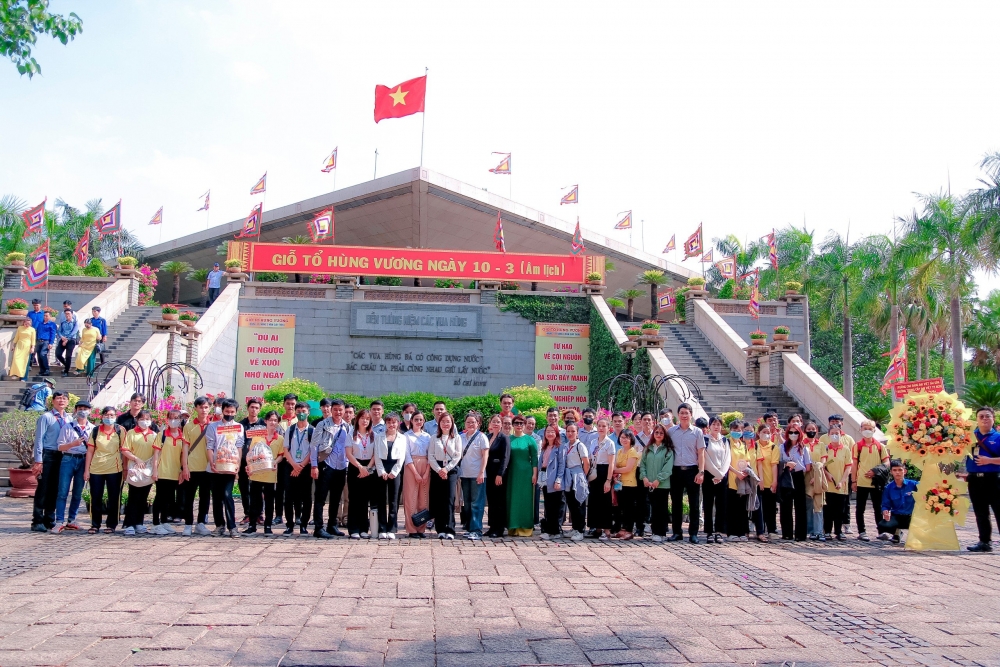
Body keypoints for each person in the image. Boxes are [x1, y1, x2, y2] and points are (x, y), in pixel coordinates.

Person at [30, 390, 70, 531]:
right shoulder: (46, 417)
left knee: (55, 489)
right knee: (43, 488)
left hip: (63, 456)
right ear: (52, 401)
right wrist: (38, 460)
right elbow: (39, 439)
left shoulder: (69, 418)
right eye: (58, 398)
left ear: (68, 402)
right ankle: (37, 521)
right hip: (48, 455)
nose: (61, 401)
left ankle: (49, 518)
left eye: (64, 398)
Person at [310, 398, 350, 538]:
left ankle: (332, 525)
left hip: (341, 466)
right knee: (320, 498)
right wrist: (314, 465)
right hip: (325, 465)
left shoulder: (347, 426)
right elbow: (314, 445)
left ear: (344, 411)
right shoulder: (322, 424)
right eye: (335, 409)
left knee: (336, 498)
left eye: (340, 410)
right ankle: (318, 528)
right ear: (331, 410)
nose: (338, 412)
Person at [667, 403, 706, 543]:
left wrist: (701, 472)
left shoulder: (697, 432)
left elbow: (701, 453)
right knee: (676, 503)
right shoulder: (671, 431)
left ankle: (693, 533)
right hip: (676, 471)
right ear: (678, 415)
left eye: (686, 413)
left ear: (691, 415)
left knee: (694, 504)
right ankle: (677, 532)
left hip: (692, 470)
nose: (684, 415)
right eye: (681, 413)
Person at [206, 398, 244, 538]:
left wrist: (237, 465)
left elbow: (239, 447)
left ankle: (232, 527)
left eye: (232, 412)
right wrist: (212, 462)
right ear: (222, 411)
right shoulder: (213, 427)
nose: (229, 414)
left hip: (230, 466)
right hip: (216, 467)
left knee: (228, 495)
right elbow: (210, 446)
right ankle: (219, 525)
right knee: (216, 497)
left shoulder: (239, 427)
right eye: (227, 411)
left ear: (236, 412)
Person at [53, 401, 93, 532]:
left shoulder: (93, 429)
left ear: (90, 411)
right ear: (75, 410)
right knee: (63, 491)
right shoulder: (68, 427)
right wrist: (72, 444)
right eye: (80, 408)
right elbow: (60, 447)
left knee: (77, 492)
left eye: (85, 409)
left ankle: (72, 520)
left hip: (84, 460)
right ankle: (59, 521)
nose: (82, 411)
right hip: (68, 459)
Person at [85, 406, 125, 534]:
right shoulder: (96, 430)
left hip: (115, 469)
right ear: (102, 416)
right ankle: (95, 524)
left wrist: (125, 468)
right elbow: (90, 451)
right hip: (96, 468)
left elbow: (124, 450)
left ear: (116, 416)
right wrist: (86, 470)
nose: (109, 417)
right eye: (106, 415)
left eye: (112, 415)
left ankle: (111, 524)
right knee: (95, 497)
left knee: (114, 497)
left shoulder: (120, 430)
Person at [965, 406, 1000, 552]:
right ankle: (984, 542)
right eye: (981, 416)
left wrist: (989, 461)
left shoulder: (998, 437)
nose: (984, 419)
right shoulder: (968, 437)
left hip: (994, 479)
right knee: (980, 512)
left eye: (987, 416)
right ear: (977, 420)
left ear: (993, 419)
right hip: (974, 480)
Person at [245, 410, 284, 535]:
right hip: (256, 473)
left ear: (278, 423)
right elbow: (251, 453)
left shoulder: (280, 439)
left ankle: (268, 526)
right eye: (270, 420)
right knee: (254, 501)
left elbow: (281, 454)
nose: (273, 422)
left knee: (269, 501)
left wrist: (275, 462)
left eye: (275, 420)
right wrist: (249, 466)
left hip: (270, 474)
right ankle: (252, 525)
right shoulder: (257, 436)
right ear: (266, 421)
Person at [121, 409, 159, 535]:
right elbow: (125, 450)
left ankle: (139, 523)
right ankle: (129, 524)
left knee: (144, 497)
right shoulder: (131, 433)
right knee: (133, 497)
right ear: (137, 420)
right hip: (135, 469)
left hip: (148, 470)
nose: (144, 421)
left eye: (147, 419)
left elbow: (157, 453)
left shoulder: (154, 435)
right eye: (142, 419)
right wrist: (135, 459)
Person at [852, 420, 890, 542]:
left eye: (870, 428)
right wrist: (853, 481)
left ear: (874, 430)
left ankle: (881, 531)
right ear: (861, 429)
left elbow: (887, 462)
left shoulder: (880, 446)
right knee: (860, 508)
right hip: (862, 481)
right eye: (865, 428)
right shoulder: (857, 446)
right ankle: (862, 531)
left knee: (878, 507)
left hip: (876, 481)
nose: (867, 430)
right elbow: (854, 464)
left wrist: (875, 471)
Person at [181, 396, 213, 536]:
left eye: (206, 407)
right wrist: (185, 467)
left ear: (210, 408)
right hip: (192, 466)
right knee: (189, 497)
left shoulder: (213, 425)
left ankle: (201, 523)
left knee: (205, 497)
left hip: (208, 467)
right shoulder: (188, 426)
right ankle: (188, 524)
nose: (203, 410)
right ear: (195, 408)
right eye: (201, 407)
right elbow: (185, 448)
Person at [152, 408, 187, 535]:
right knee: (160, 497)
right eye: (171, 418)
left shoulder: (183, 436)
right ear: (167, 419)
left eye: (176, 418)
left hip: (174, 472)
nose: (173, 420)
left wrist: (182, 470)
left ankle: (164, 521)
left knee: (169, 499)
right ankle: (155, 524)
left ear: (181, 420)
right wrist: (155, 470)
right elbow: (156, 454)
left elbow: (183, 456)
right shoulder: (161, 435)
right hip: (162, 471)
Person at [819, 414, 856, 534]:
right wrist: (826, 473)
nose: (835, 435)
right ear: (829, 435)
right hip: (828, 483)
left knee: (841, 508)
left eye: (837, 433)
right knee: (828, 507)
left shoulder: (846, 448)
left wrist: (843, 481)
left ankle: (839, 531)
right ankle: (827, 531)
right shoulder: (825, 448)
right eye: (832, 433)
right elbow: (823, 464)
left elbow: (848, 465)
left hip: (842, 483)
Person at [428, 412, 461, 540]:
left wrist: (446, 469)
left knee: (449, 499)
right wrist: (439, 470)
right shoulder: (434, 438)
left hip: (451, 470)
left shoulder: (456, 438)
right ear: (439, 423)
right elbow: (430, 456)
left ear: (452, 423)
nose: (445, 424)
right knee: (438, 500)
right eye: (443, 421)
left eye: (448, 421)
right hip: (437, 469)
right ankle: (440, 529)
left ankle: (450, 529)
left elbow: (457, 456)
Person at [373, 413, 407, 539]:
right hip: (382, 468)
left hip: (395, 469)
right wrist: (381, 471)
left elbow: (402, 456)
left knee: (394, 500)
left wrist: (394, 472)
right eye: (389, 422)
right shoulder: (379, 436)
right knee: (381, 500)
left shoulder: (402, 438)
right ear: (385, 423)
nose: (391, 425)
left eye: (394, 422)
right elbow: (376, 455)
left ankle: (392, 528)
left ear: (398, 423)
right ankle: (382, 528)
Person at [282, 401, 314, 536]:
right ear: (295, 413)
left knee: (306, 497)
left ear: (308, 413)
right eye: (299, 411)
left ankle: (303, 525)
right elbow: (285, 449)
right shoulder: (290, 430)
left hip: (305, 467)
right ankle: (289, 525)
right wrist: (294, 465)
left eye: (304, 411)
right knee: (289, 497)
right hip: (291, 466)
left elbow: (313, 450)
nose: (301, 414)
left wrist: (301, 466)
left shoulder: (312, 430)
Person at [640, 424, 675, 542]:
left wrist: (658, 480)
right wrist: (644, 478)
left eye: (661, 433)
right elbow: (643, 464)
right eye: (656, 432)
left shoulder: (668, 450)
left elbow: (668, 468)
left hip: (662, 484)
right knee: (653, 508)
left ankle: (661, 532)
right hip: (649, 484)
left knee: (661, 509)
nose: (658, 435)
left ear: (665, 435)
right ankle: (655, 531)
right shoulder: (648, 448)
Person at [458, 413, 489, 540]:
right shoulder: (460, 437)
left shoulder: (482, 437)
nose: (470, 424)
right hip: (464, 474)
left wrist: (481, 472)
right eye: (468, 422)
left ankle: (477, 530)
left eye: (473, 422)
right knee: (468, 503)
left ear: (478, 424)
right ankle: (470, 528)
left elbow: (485, 456)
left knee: (477, 503)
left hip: (477, 475)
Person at [778, 423, 811, 541]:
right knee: (785, 505)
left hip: (798, 476)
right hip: (786, 475)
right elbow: (778, 462)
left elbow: (808, 466)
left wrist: (798, 465)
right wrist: (787, 464)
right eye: (791, 432)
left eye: (796, 432)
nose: (793, 434)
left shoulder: (804, 448)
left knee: (800, 506)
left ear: (799, 434)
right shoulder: (782, 447)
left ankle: (800, 534)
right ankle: (787, 533)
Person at [346, 408, 375, 539]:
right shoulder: (351, 434)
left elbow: (375, 454)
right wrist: (359, 467)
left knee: (364, 499)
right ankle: (353, 529)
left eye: (367, 419)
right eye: (362, 418)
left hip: (369, 467)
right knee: (354, 499)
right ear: (357, 419)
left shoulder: (373, 435)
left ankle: (364, 528)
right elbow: (348, 453)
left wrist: (367, 468)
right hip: (355, 467)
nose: (365, 421)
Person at [702, 418, 732, 544]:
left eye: (718, 424)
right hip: (709, 475)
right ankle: (709, 532)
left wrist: (721, 474)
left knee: (721, 504)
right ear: (709, 426)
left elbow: (727, 458)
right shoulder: (705, 439)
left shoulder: (725, 440)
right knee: (708, 504)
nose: (716, 426)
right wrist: (716, 474)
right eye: (714, 424)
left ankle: (719, 531)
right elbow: (705, 458)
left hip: (722, 476)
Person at [403, 412, 432, 538]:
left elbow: (430, 454)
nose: (418, 422)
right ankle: (411, 529)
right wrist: (415, 473)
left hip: (425, 465)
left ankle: (421, 528)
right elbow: (406, 455)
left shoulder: (428, 436)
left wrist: (426, 472)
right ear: (412, 421)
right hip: (411, 466)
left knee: (424, 498)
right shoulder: (406, 436)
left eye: (421, 419)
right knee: (411, 498)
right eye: (416, 419)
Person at [726, 418, 756, 542]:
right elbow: (725, 462)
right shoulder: (727, 443)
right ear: (730, 430)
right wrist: (736, 472)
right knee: (732, 508)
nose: (738, 432)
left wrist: (744, 471)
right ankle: (731, 532)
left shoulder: (743, 445)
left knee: (742, 508)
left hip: (742, 480)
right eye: (735, 429)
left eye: (740, 430)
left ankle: (742, 532)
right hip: (731, 479)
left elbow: (747, 460)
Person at [588, 418, 616, 540]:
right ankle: (597, 528)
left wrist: (608, 480)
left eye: (604, 426)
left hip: (605, 472)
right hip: (594, 472)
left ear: (608, 428)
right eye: (599, 425)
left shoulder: (610, 443)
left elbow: (611, 463)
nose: (601, 428)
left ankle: (607, 530)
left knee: (605, 502)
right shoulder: (593, 442)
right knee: (595, 501)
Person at [561, 423, 591, 541]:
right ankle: (574, 528)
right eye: (568, 431)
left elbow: (586, 463)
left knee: (579, 503)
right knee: (571, 503)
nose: (570, 433)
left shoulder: (580, 446)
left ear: (577, 433)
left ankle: (580, 530)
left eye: (573, 431)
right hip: (568, 476)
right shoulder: (565, 445)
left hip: (577, 475)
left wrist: (583, 476)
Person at [484, 413, 511, 538]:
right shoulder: (488, 436)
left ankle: (499, 528)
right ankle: (492, 527)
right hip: (488, 473)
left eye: (498, 422)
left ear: (501, 424)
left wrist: (500, 474)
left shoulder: (504, 438)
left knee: (499, 501)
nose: (495, 424)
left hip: (499, 474)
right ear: (490, 423)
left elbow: (506, 457)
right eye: (493, 421)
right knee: (491, 501)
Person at [238, 398, 264, 524]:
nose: (254, 410)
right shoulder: (241, 425)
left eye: (256, 408)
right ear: (248, 408)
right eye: (252, 407)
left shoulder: (263, 424)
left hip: (259, 461)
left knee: (259, 488)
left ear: (260, 410)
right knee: (244, 488)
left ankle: (259, 514)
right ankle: (247, 514)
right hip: (243, 461)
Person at [538, 424, 567, 539]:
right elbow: (541, 463)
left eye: (552, 432)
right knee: (548, 505)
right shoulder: (545, 447)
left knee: (557, 506)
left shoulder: (560, 447)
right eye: (548, 431)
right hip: (545, 478)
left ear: (556, 434)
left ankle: (555, 531)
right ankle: (549, 530)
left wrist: (558, 480)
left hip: (555, 478)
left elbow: (562, 465)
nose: (550, 434)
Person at [879, 459, 918, 544]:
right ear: (891, 472)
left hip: (912, 516)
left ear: (905, 471)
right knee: (883, 525)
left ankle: (916, 535)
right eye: (895, 470)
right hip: (897, 516)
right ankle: (897, 533)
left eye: (900, 470)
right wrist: (885, 511)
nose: (897, 472)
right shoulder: (888, 488)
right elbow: (885, 504)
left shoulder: (914, 485)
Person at [613, 429, 641, 540]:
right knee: (620, 508)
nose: (624, 440)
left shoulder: (632, 452)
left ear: (631, 439)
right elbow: (616, 465)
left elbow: (628, 468)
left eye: (626, 438)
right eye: (622, 437)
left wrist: (614, 470)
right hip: (619, 483)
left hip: (630, 484)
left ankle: (629, 530)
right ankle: (622, 529)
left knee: (629, 509)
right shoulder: (619, 451)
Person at [275, 393, 298, 526]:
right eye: (288, 403)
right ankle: (278, 515)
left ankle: (297, 515)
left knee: (295, 489)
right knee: (279, 488)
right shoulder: (278, 421)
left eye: (293, 404)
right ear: (284, 404)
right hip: (281, 459)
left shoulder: (299, 421)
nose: (290, 406)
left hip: (295, 461)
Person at [802, 421, 827, 541]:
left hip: (819, 474)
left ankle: (819, 531)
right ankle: (810, 530)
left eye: (813, 429)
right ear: (805, 431)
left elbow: (824, 460)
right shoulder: (802, 444)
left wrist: (817, 474)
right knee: (808, 504)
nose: (811, 431)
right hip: (806, 474)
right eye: (809, 429)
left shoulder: (821, 445)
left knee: (819, 504)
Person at [755, 422, 780, 536]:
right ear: (758, 433)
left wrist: (774, 481)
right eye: (764, 432)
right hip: (757, 481)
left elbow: (774, 465)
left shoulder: (773, 447)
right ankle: (760, 530)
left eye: (768, 432)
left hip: (769, 480)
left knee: (770, 507)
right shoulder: (755, 445)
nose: (766, 434)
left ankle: (771, 529)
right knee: (759, 507)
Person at [54, 308, 80, 377]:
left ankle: (66, 371)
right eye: (66, 314)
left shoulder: (75, 323)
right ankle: (66, 365)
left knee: (68, 356)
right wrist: (62, 337)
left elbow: (74, 332)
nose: (67, 315)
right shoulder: (63, 322)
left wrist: (67, 339)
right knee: (58, 354)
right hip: (63, 339)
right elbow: (59, 331)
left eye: (68, 314)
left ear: (72, 314)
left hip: (71, 340)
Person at [33, 311, 56, 376]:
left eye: (46, 316)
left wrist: (51, 343)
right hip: (39, 341)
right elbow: (37, 332)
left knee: (42, 354)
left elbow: (53, 334)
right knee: (39, 356)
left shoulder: (52, 324)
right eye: (44, 315)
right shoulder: (40, 323)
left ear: (50, 317)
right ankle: (41, 370)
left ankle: (46, 369)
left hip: (46, 341)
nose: (45, 317)